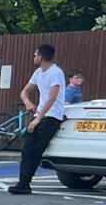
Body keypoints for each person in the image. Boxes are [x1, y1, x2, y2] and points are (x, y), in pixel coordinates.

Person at [8, 43, 66, 195]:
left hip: (52, 116)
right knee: (28, 147)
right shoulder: (38, 73)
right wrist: (27, 102)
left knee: (35, 150)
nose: (34, 57)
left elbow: (52, 98)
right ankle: (23, 183)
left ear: (41, 56)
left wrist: (37, 119)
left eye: (35, 55)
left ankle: (24, 183)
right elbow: (25, 91)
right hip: (40, 115)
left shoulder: (56, 72)